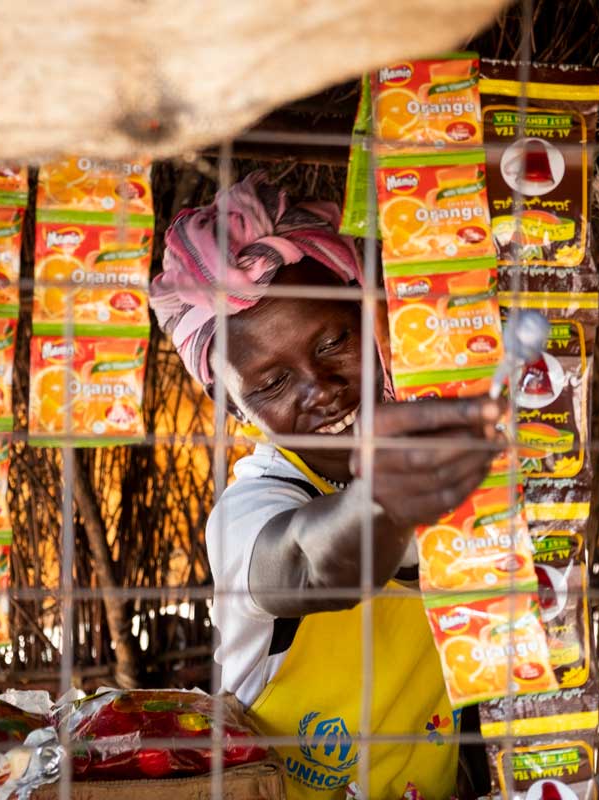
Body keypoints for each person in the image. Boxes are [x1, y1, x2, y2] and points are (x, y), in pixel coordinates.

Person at [149, 172, 504, 799]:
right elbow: (312, 563)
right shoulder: (250, 511)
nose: (320, 390)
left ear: (374, 322)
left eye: (335, 341)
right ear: (235, 411)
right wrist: (389, 497)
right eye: (271, 385)